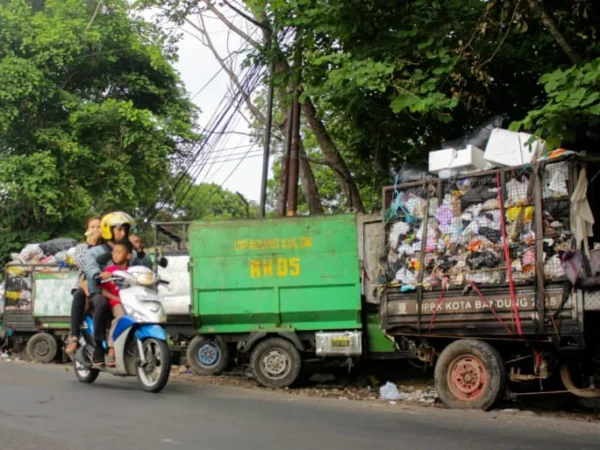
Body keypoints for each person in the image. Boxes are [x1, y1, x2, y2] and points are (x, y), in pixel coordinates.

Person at [84, 212, 152, 367]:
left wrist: (139, 250)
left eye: (125, 230)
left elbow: (146, 267)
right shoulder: (96, 251)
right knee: (101, 303)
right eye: (118, 229)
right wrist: (96, 275)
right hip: (101, 292)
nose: (123, 233)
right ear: (109, 230)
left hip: (127, 295)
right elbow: (90, 266)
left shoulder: (131, 253)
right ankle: (101, 348)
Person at [65, 216, 102, 359]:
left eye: (99, 226)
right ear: (87, 230)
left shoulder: (106, 246)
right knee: (79, 295)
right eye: (92, 227)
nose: (96, 230)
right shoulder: (81, 248)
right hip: (84, 282)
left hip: (102, 284)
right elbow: (83, 265)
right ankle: (74, 336)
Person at [99, 239, 133, 367]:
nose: (115, 255)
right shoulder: (110, 270)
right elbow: (103, 291)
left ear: (128, 255)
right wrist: (117, 299)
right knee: (121, 317)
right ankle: (111, 350)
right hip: (116, 302)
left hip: (132, 302)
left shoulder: (133, 271)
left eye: (119, 252)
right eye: (114, 252)